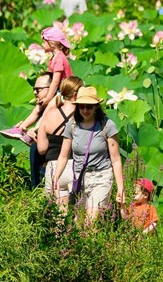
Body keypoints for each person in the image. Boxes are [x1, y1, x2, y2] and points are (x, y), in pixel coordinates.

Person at [53, 86, 125, 222]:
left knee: (90, 221)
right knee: (78, 223)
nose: (85, 110)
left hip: (101, 176)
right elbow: (63, 155)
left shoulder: (107, 125)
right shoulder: (72, 125)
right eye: (82, 107)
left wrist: (121, 188)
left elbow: (115, 159)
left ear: (96, 107)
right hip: (80, 177)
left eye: (89, 107)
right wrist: (56, 178)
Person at [0, 26, 74, 144]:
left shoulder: (59, 58)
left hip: (66, 93)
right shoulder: (54, 58)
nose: (42, 44)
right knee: (38, 107)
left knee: (46, 109)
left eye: (44, 42)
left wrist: (48, 98)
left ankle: (33, 131)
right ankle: (21, 129)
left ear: (52, 43)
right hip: (58, 91)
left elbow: (55, 81)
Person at [37, 76, 84, 209]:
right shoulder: (83, 115)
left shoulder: (50, 114)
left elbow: (41, 148)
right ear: (76, 94)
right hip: (76, 166)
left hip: (54, 167)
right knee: (78, 214)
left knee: (57, 216)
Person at [23, 72, 54, 189]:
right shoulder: (41, 108)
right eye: (34, 89)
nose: (35, 92)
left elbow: (53, 145)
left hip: (48, 167)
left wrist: (35, 139)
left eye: (38, 89)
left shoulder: (57, 112)